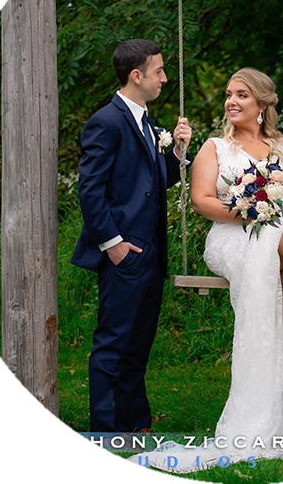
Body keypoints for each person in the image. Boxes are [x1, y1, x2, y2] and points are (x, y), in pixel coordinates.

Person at [117, 67, 283, 473]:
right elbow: (200, 200)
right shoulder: (216, 147)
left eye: (242, 95)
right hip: (234, 236)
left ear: (262, 104)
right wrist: (248, 210)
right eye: (229, 94)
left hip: (282, 235)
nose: (232, 101)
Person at [71, 39, 192, 433]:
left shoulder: (149, 124)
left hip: (151, 254)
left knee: (138, 344)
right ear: (136, 75)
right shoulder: (106, 121)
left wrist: (175, 154)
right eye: (158, 71)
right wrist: (114, 244)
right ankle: (105, 430)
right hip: (123, 252)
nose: (164, 78)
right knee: (113, 341)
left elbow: (157, 182)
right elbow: (89, 190)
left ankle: (135, 420)